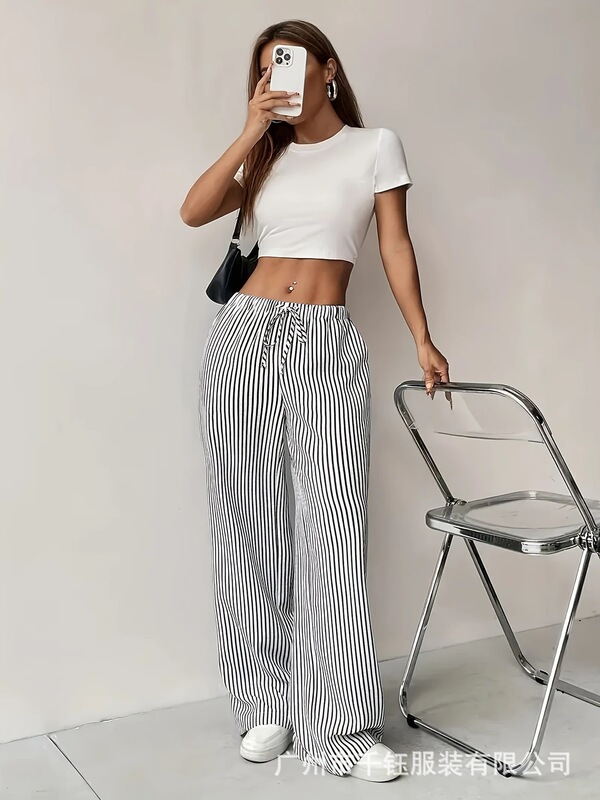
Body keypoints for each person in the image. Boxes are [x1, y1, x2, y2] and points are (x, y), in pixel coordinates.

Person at [180, 19, 450, 783]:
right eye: (265, 70)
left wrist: (423, 337)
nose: (278, 79)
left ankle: (340, 726)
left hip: (326, 342)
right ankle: (265, 702)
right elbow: (194, 211)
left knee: (332, 526)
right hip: (243, 336)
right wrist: (250, 130)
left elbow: (394, 244)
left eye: (290, 63)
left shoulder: (375, 147)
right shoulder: (265, 157)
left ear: (327, 69)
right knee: (246, 519)